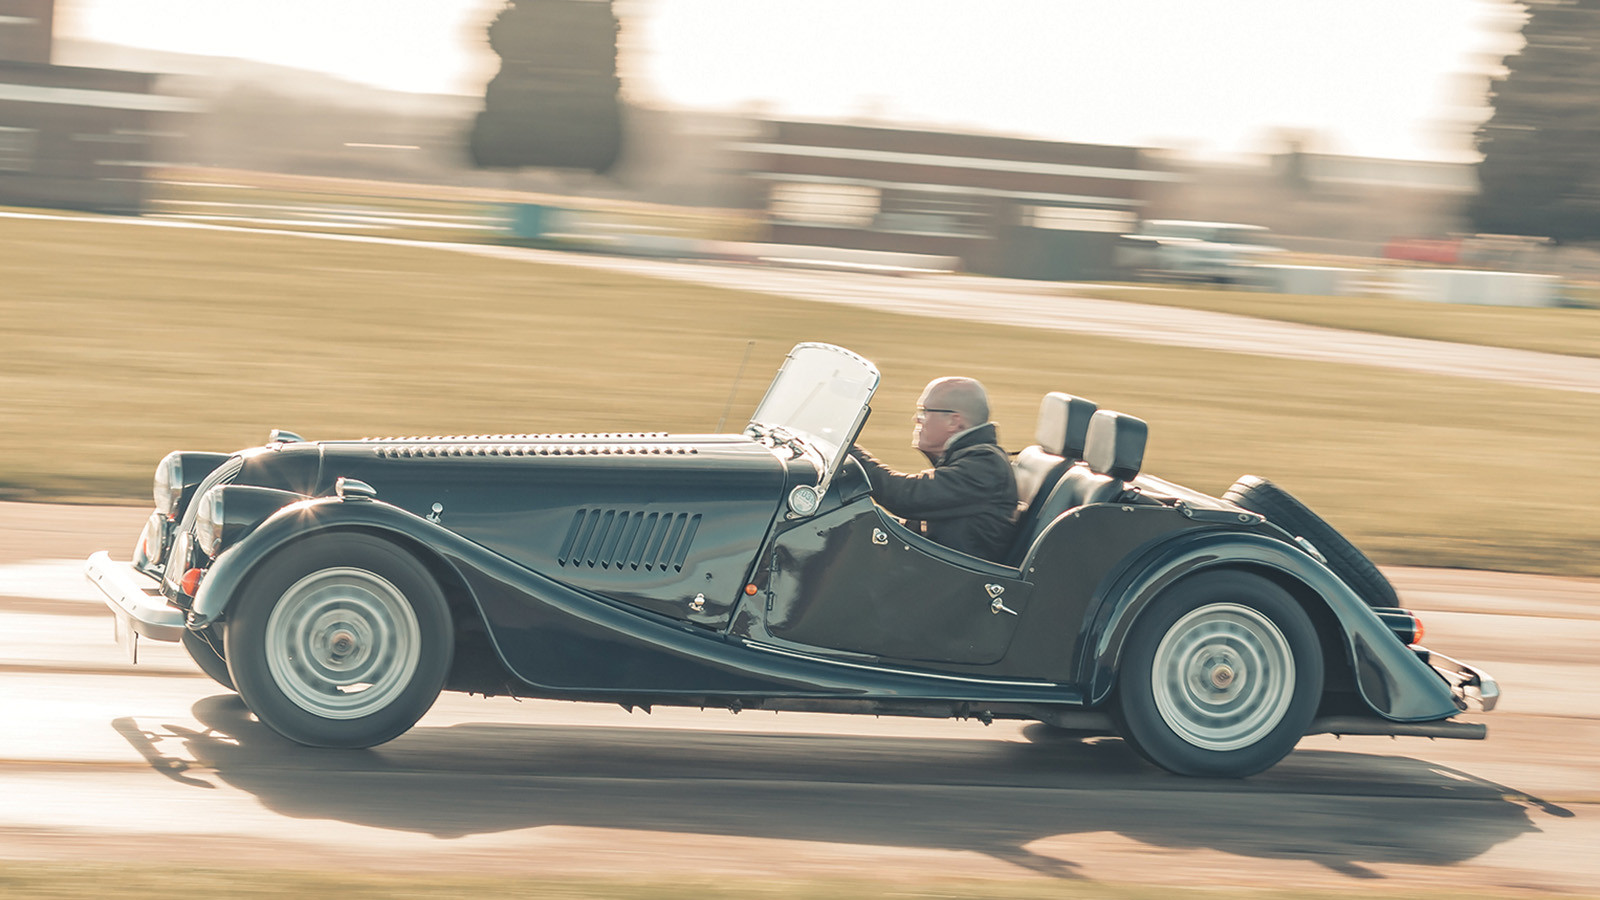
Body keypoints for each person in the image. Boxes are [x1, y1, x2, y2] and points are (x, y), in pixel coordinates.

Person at [849, 376, 1017, 562]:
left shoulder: (984, 466)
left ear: (954, 421)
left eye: (924, 412)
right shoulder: (969, 459)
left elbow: (907, 497)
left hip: (952, 576)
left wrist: (849, 452)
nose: (916, 418)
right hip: (934, 567)